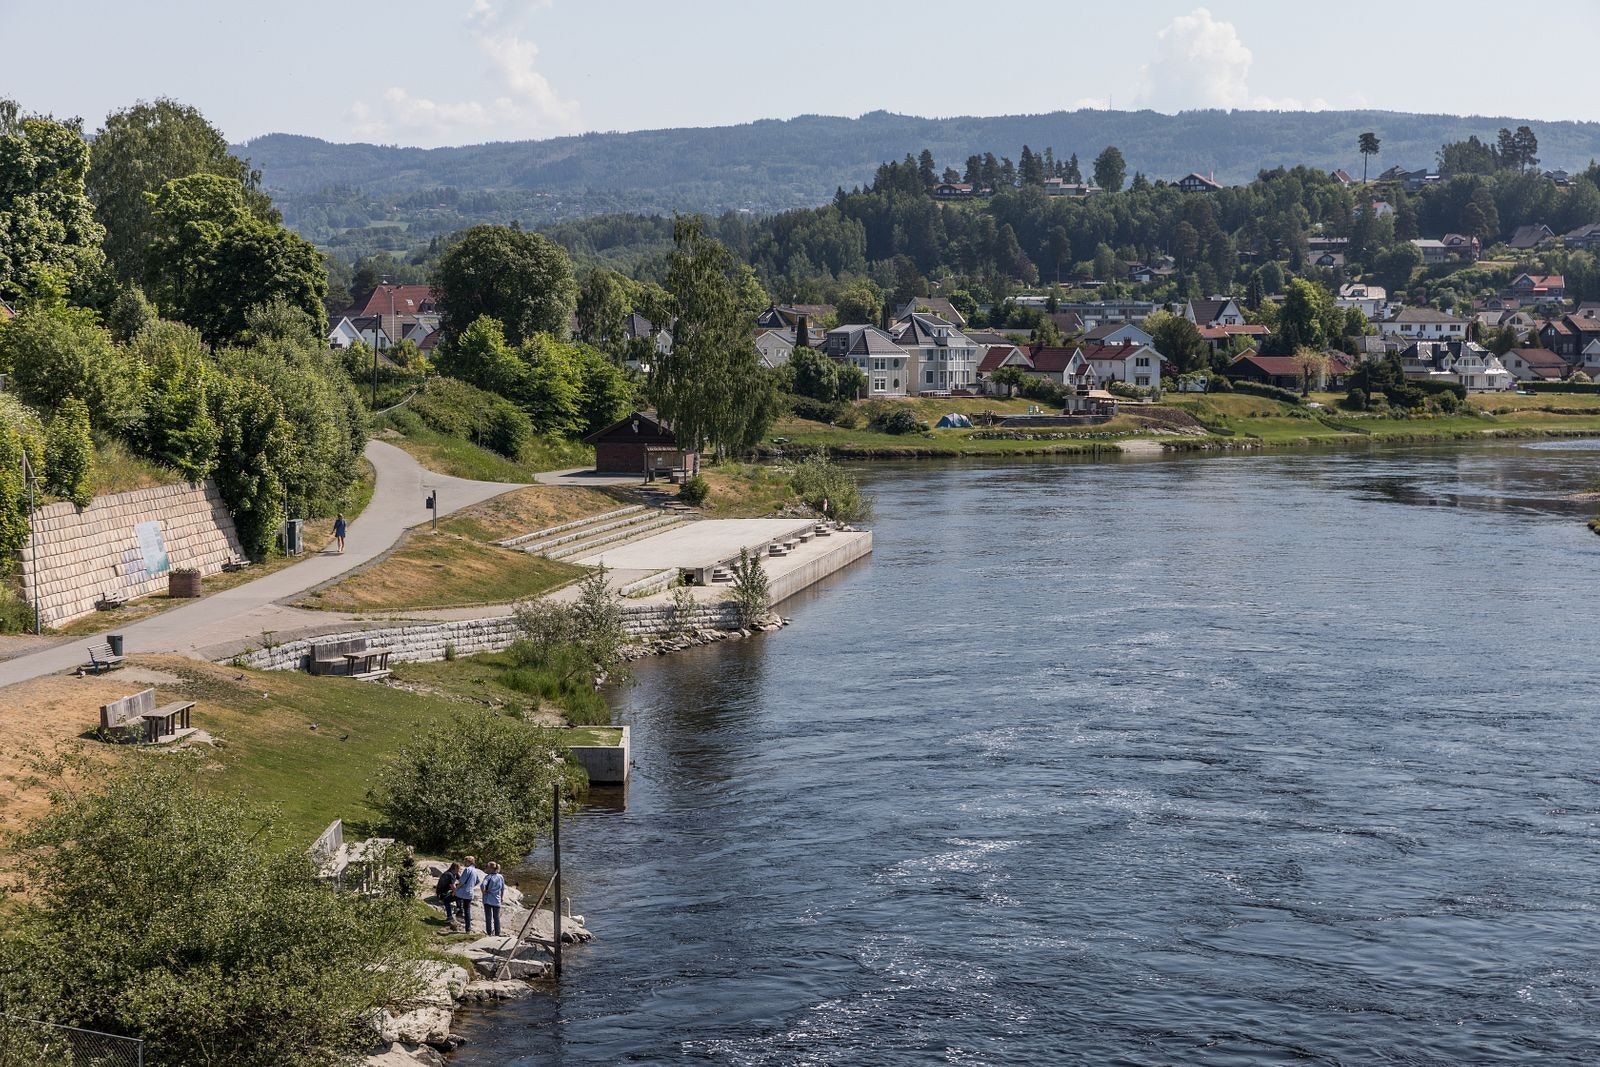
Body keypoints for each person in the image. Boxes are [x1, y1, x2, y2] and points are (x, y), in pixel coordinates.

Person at [455, 855, 483, 934]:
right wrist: (471, 885)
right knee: (467, 910)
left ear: (469, 862)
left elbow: (461, 881)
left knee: (453, 897)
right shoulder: (475, 870)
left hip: (463, 892)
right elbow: (477, 881)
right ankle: (468, 929)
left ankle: (458, 913)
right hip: (470, 892)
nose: (464, 863)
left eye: (465, 861)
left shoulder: (467, 869)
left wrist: (455, 889)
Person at [481, 862, 506, 937]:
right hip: (497, 899)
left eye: (488, 867)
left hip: (488, 899)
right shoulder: (500, 877)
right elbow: (502, 888)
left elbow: (482, 885)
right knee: (496, 917)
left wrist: (484, 892)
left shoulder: (488, 877)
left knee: (488, 917)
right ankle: (497, 933)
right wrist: (501, 897)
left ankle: (489, 933)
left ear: (491, 868)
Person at [435, 862, 461, 929]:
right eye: (459, 869)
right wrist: (456, 892)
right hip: (442, 893)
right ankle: (452, 915)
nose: (459, 870)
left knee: (460, 890)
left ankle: (459, 908)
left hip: (447, 891)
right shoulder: (449, 874)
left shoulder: (454, 873)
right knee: (458, 894)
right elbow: (453, 887)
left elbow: (461, 880)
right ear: (455, 868)